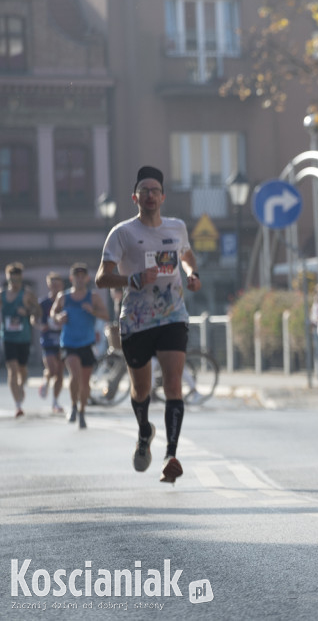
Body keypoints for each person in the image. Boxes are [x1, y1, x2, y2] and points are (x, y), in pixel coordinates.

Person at [96, 166, 201, 483]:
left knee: (172, 385)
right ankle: (144, 432)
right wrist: (132, 279)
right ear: (135, 198)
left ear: (163, 196)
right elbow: (102, 277)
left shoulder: (177, 227)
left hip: (172, 316)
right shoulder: (123, 233)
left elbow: (187, 256)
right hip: (137, 321)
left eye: (156, 190)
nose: (151, 195)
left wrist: (192, 274)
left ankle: (171, 455)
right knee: (141, 389)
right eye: (145, 191)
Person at [51, 263, 108, 428]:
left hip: (87, 343)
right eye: (77, 276)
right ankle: (73, 406)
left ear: (87, 278)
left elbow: (105, 315)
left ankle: (82, 410)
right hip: (69, 343)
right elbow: (53, 313)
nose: (80, 279)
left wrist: (93, 311)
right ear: (71, 278)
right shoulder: (64, 297)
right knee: (74, 375)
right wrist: (59, 317)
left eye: (83, 276)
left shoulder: (94, 297)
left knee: (85, 382)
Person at [2, 262, 41, 418]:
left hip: (24, 338)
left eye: (18, 280)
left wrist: (27, 311)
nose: (15, 284)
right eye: (12, 281)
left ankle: (21, 386)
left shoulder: (27, 294)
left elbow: (37, 310)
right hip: (8, 337)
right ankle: (18, 405)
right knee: (12, 369)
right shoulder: (2, 295)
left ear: (21, 279)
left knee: (22, 371)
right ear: (8, 279)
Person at [38, 272, 66, 413]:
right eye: (52, 285)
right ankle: (46, 380)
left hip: (62, 340)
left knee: (60, 373)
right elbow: (34, 318)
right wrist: (40, 325)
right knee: (52, 369)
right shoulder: (43, 303)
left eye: (58, 285)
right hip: (48, 340)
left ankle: (55, 402)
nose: (55, 288)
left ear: (61, 286)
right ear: (49, 285)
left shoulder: (65, 300)